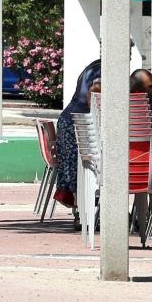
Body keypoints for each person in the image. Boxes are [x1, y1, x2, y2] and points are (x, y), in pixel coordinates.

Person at [52, 60, 102, 218]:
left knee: (78, 167)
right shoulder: (102, 70)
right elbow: (94, 93)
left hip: (72, 119)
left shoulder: (94, 67)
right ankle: (81, 211)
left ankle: (81, 211)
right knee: (80, 167)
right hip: (77, 121)